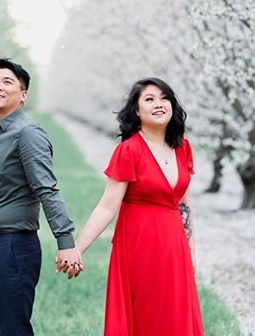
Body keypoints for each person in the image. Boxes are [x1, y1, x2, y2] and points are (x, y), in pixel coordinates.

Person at [59, 77, 204, 335]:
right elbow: (106, 207)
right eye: (149, 99)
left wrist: (190, 253)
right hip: (140, 247)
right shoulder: (129, 150)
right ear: (137, 110)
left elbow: (185, 205)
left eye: (164, 98)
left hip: (175, 247)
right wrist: (76, 249)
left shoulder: (183, 148)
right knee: (147, 317)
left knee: (175, 318)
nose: (158, 104)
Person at [0, 58, 83, 336]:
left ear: (23, 95)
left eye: (7, 82)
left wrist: (66, 243)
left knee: (14, 330)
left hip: (13, 248)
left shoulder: (27, 134)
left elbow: (47, 189)